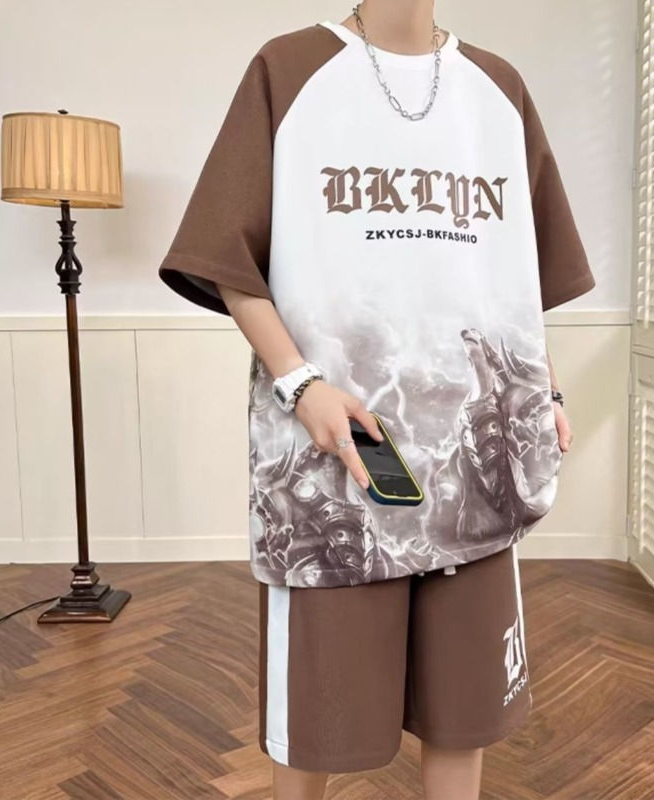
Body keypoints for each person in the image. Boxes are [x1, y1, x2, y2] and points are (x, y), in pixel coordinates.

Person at [158, 1, 595, 797]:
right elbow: (227, 258)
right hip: (337, 466)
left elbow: (514, 280)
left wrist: (545, 388)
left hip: (474, 478)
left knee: (465, 715)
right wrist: (301, 385)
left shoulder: (498, 90)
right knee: (314, 725)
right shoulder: (289, 70)